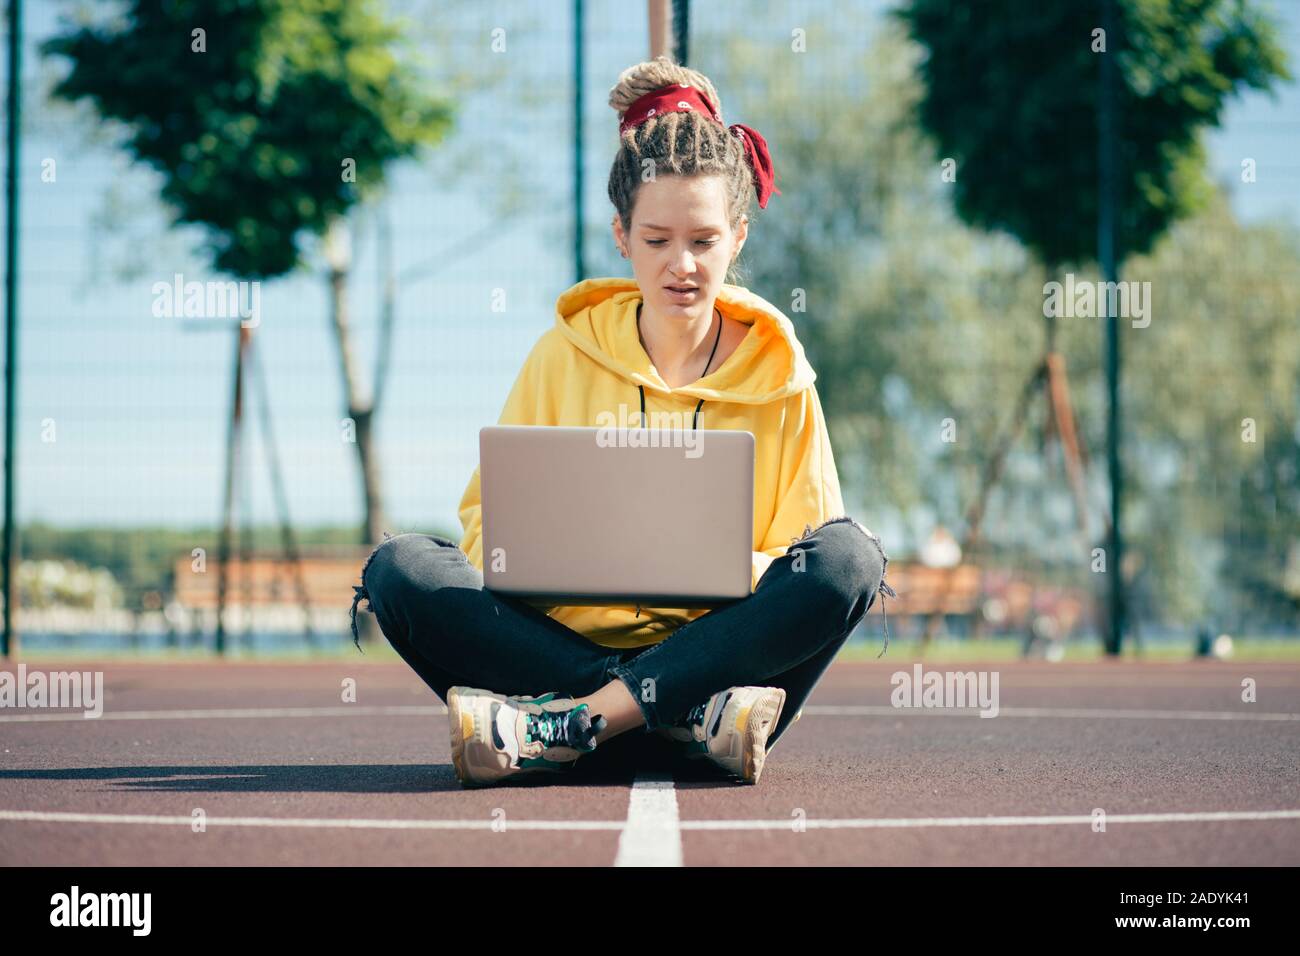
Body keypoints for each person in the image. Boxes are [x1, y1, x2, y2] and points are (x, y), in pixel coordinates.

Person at [350, 56, 895, 789]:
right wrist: (550, 564)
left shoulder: (783, 378)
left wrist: (721, 566)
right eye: (657, 239)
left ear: (737, 238)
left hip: (720, 661)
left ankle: (562, 728)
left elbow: (808, 555)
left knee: (849, 559)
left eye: (703, 241)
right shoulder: (559, 355)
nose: (683, 265)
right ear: (621, 237)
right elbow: (487, 528)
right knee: (402, 570)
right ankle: (668, 723)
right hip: (661, 685)